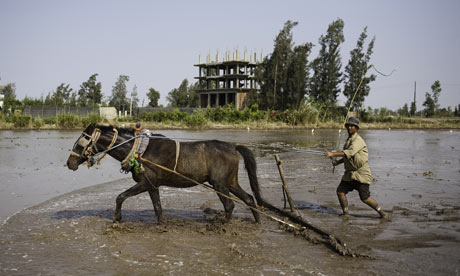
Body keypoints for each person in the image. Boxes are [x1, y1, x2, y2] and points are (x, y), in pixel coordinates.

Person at [325, 117, 388, 219]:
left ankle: (382, 213)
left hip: (361, 174)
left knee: (365, 198)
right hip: (350, 174)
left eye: (352, 126)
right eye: (348, 125)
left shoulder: (358, 140)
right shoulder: (348, 141)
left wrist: (332, 154)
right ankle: (346, 214)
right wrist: (337, 162)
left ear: (356, 128)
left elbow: (349, 153)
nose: (350, 127)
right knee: (340, 192)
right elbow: (348, 156)